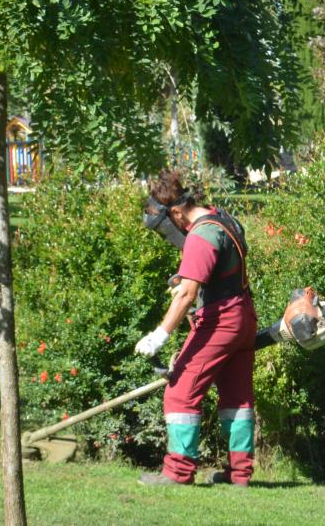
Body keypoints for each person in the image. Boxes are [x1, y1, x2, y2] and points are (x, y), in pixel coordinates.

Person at [136, 169, 258, 486]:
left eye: (167, 223)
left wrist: (158, 337)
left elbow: (188, 294)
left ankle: (177, 473)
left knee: (180, 394)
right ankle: (239, 475)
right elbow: (218, 270)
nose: (170, 230)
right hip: (243, 316)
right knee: (237, 397)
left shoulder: (200, 236)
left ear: (175, 211)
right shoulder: (223, 219)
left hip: (221, 321)